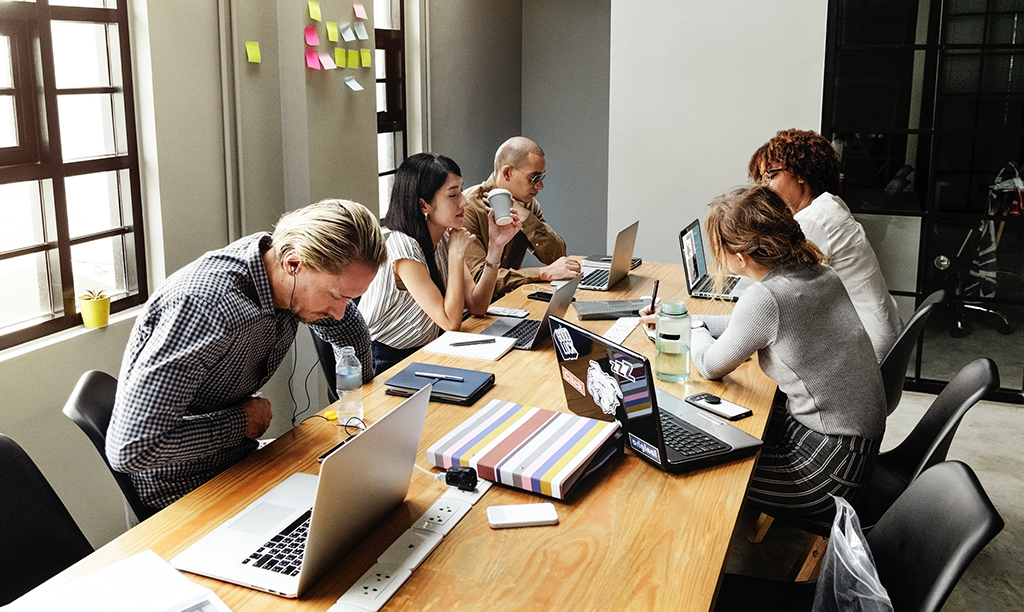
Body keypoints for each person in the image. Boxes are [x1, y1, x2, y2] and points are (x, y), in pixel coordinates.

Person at [107, 200, 387, 511]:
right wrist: (241, 422)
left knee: (365, 503)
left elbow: (346, 326)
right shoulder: (205, 309)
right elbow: (131, 449)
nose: (338, 312)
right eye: (336, 296)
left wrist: (361, 393)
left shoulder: (277, 262)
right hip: (184, 491)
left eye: (351, 297)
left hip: (241, 458)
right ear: (294, 264)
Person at [690, 186, 885, 525]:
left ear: (740, 257)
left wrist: (689, 330)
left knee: (698, 463)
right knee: (717, 427)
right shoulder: (819, 273)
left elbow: (709, 365)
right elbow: (745, 326)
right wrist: (686, 318)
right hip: (856, 449)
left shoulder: (766, 298)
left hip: (828, 473)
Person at [359, 153, 522, 375]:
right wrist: (455, 255)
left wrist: (496, 246)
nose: (464, 201)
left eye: (461, 190)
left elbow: (477, 305)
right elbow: (450, 322)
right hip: (385, 359)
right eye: (453, 195)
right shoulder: (403, 248)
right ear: (423, 205)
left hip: (426, 349)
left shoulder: (446, 236)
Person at [751, 128, 901, 362]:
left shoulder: (813, 220)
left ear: (801, 173)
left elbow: (774, 290)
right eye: (762, 179)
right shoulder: (830, 204)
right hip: (879, 334)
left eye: (772, 175)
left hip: (867, 349)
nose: (765, 187)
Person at [462, 137, 579, 295]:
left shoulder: (527, 205)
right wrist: (540, 274)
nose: (540, 186)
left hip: (508, 301)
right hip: (473, 312)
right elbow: (478, 279)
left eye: (542, 178)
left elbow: (557, 257)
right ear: (507, 173)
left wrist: (526, 218)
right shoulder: (468, 207)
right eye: (534, 178)